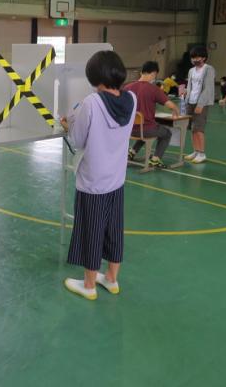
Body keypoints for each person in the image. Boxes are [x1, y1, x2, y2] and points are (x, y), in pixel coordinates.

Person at [60, 51, 136, 301]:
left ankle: (89, 284)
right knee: (114, 228)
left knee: (91, 230)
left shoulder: (92, 103)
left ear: (94, 76)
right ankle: (111, 279)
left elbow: (78, 139)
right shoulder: (131, 100)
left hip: (93, 180)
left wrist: (68, 125)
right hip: (117, 178)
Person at [126, 61, 180, 168]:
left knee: (144, 128)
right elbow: (171, 105)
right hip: (145, 129)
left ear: (141, 72)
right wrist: (176, 111)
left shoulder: (127, 88)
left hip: (129, 130)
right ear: (154, 74)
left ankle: (131, 152)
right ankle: (156, 159)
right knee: (166, 133)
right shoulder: (153, 89)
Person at [183, 46, 215, 164]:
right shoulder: (191, 71)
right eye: (193, 57)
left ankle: (202, 153)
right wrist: (185, 93)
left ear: (204, 58)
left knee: (199, 129)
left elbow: (208, 88)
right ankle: (196, 151)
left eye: (197, 57)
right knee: (192, 128)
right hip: (190, 101)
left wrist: (200, 104)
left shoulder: (209, 69)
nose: (195, 60)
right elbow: (191, 86)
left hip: (201, 102)